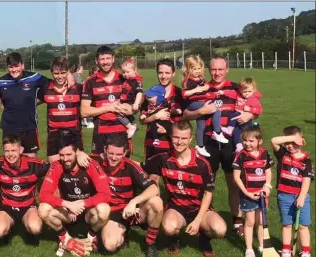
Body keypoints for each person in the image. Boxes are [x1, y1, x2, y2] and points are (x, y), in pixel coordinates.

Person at [182, 56, 255, 237]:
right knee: (207, 184)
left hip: (230, 142)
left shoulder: (237, 88)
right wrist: (200, 112)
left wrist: (250, 115)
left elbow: (253, 104)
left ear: (227, 69)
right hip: (208, 143)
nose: (217, 73)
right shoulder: (202, 87)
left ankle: (237, 221)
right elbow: (185, 114)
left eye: (220, 69)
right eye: (214, 69)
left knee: (233, 183)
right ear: (209, 70)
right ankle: (205, 219)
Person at [145, 121, 226, 257]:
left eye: (183, 138)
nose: (179, 142)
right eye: (176, 137)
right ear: (170, 136)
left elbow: (208, 193)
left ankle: (204, 239)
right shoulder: (162, 159)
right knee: (169, 227)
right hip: (176, 208)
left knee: (220, 230)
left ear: (191, 138)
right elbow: (143, 170)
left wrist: (198, 220)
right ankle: (174, 240)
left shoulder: (202, 164)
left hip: (199, 209)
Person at [38, 133, 111, 256]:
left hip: (88, 212)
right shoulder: (56, 166)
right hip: (68, 212)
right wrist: (67, 204)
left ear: (77, 152)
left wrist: (83, 203)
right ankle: (65, 238)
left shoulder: (90, 165)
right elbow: (43, 195)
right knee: (43, 209)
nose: (65, 159)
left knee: (104, 209)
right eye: (61, 155)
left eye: (68, 155)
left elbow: (106, 194)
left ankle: (91, 236)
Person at [91, 136, 163, 257]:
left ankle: (150, 244)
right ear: (105, 149)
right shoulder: (96, 161)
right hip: (109, 211)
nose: (114, 157)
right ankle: (123, 234)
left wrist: (133, 202)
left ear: (125, 153)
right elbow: (70, 155)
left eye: (118, 154)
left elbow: (154, 188)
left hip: (129, 210)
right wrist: (79, 154)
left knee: (156, 202)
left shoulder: (131, 166)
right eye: (110, 153)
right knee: (110, 245)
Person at [0, 52, 57, 157]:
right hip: (9, 128)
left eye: (16, 66)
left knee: (30, 160)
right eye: (11, 67)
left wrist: (35, 101)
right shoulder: (1, 81)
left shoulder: (34, 77)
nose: (14, 70)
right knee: (11, 158)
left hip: (29, 127)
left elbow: (51, 84)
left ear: (22, 65)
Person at [81, 46, 134, 155]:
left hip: (122, 131)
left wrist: (131, 109)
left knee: (123, 168)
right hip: (101, 133)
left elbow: (134, 106)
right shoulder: (90, 82)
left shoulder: (124, 79)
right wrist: (108, 107)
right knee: (99, 167)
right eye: (102, 59)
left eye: (108, 58)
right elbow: (84, 111)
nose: (105, 62)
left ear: (113, 59)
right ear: (97, 61)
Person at [270, 126, 312, 257]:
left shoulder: (306, 159)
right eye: (287, 143)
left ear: (301, 141)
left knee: (303, 226)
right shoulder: (283, 154)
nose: (290, 146)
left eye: (294, 143)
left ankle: (305, 252)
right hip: (284, 196)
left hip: (301, 196)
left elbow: (306, 180)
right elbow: (274, 140)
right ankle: (286, 250)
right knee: (286, 225)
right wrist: (293, 138)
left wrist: (301, 197)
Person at [232, 126, 273, 257]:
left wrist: (267, 186)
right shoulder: (240, 156)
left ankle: (262, 246)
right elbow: (236, 177)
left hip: (262, 194)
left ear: (259, 141)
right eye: (245, 140)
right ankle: (249, 248)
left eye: (251, 141)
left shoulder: (265, 153)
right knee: (249, 222)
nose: (247, 144)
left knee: (261, 221)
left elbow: (268, 171)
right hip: (248, 194)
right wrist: (246, 193)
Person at [181, 56, 228, 157]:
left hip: (201, 102)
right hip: (193, 103)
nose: (197, 71)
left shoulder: (201, 79)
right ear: (188, 69)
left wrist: (211, 91)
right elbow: (184, 94)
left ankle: (200, 146)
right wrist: (198, 90)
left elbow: (207, 88)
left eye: (199, 68)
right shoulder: (188, 80)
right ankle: (217, 131)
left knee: (201, 125)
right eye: (194, 69)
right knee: (216, 109)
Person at [41, 56, 84, 163]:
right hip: (54, 134)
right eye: (56, 73)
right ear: (51, 72)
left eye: (63, 72)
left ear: (68, 72)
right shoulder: (46, 88)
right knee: (55, 167)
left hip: (74, 133)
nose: (59, 76)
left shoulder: (78, 88)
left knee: (77, 168)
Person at [140, 59, 183, 160]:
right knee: (151, 176)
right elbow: (142, 120)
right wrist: (155, 116)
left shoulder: (179, 94)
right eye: (160, 73)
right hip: (152, 144)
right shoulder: (150, 94)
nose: (163, 76)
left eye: (167, 73)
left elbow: (184, 123)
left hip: (173, 145)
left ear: (173, 73)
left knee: (171, 175)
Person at [223, 78, 263, 153]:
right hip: (238, 120)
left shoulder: (253, 99)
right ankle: (239, 146)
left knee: (244, 133)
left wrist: (250, 110)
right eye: (245, 92)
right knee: (236, 132)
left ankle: (229, 129)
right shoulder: (238, 95)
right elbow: (231, 93)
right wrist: (223, 92)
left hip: (246, 121)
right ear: (240, 90)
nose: (247, 93)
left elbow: (259, 110)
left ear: (254, 90)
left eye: (249, 91)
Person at [140, 85, 172, 160]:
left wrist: (167, 129)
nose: (148, 98)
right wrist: (155, 116)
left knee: (163, 166)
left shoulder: (166, 106)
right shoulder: (146, 105)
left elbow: (174, 122)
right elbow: (142, 120)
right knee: (149, 165)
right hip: (149, 141)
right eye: (147, 96)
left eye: (151, 97)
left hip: (165, 144)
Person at [119, 58, 144, 138]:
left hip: (130, 103)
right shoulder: (128, 80)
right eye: (123, 72)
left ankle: (130, 126)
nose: (125, 74)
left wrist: (136, 104)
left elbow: (139, 92)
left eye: (128, 72)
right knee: (126, 115)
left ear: (134, 70)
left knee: (118, 113)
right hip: (126, 102)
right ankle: (133, 124)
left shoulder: (135, 81)